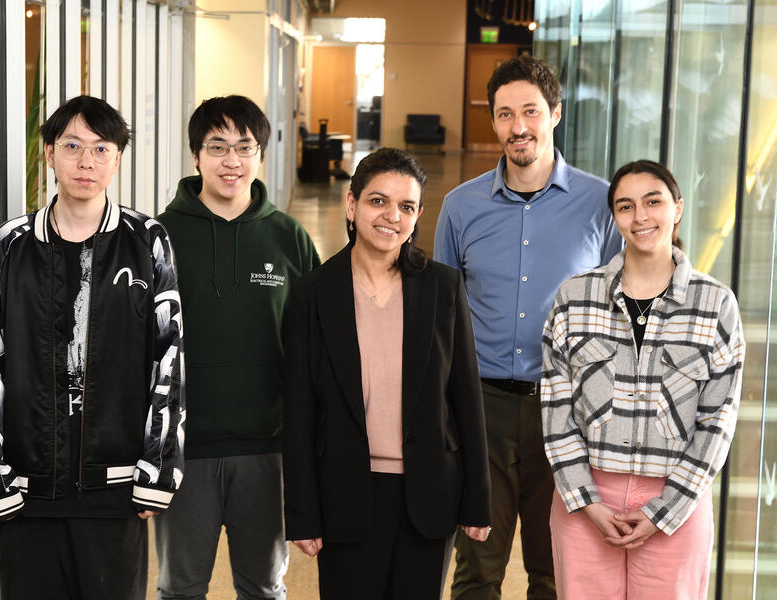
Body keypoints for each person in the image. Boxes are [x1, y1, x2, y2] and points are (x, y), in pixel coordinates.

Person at [0, 95, 186, 600]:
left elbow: (169, 358)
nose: (85, 161)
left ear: (117, 158)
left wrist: (157, 470)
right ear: (49, 154)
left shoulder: (147, 240)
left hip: (115, 486)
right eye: (72, 146)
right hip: (29, 485)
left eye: (101, 148)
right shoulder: (10, 244)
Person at [433, 55, 623, 600]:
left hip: (567, 410)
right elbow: (444, 315)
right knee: (475, 571)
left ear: (555, 114)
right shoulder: (459, 207)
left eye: (531, 112)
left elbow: (616, 309)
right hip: (481, 408)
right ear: (492, 122)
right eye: (505, 114)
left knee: (557, 570)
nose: (519, 127)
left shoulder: (599, 203)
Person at [282, 148, 492, 600]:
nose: (391, 216)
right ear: (351, 205)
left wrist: (478, 500)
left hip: (429, 493)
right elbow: (298, 409)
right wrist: (302, 513)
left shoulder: (442, 286)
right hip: (345, 494)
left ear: (417, 217)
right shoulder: (313, 293)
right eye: (378, 201)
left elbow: (466, 398)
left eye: (406, 207)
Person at [541, 160, 745, 598]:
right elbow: (556, 411)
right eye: (625, 206)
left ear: (678, 209)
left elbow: (718, 422)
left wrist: (665, 510)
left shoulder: (715, 305)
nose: (641, 217)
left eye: (653, 202)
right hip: (586, 499)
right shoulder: (574, 298)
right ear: (615, 217)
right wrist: (586, 501)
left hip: (677, 506)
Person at [153, 95, 319, 600]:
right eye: (218, 147)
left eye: (244, 148)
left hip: (266, 450)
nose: (231, 161)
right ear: (196, 155)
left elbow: (314, 348)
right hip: (183, 449)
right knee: (179, 588)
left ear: (261, 155)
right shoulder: (159, 236)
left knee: (264, 588)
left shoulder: (289, 238)